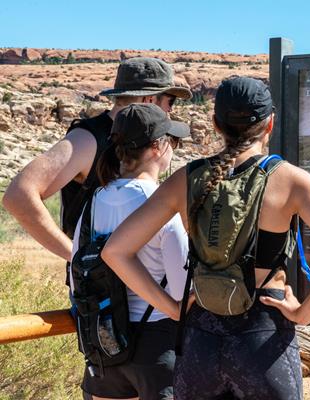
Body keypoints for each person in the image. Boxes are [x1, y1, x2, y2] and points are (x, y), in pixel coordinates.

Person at [101, 77, 310, 399]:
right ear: (270, 124)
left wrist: (172, 308)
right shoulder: (290, 180)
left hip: (200, 341)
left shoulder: (188, 178)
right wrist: (303, 313)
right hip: (263, 339)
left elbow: (115, 251)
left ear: (215, 124)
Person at [2, 57, 192, 264]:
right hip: (102, 288)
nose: (171, 110)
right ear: (149, 100)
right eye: (170, 101)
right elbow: (19, 196)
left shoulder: (135, 139)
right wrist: (78, 256)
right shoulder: (88, 139)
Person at [73, 103, 190, 400]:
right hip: (156, 347)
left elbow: (76, 276)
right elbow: (180, 289)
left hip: (104, 346)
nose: (174, 148)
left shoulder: (94, 202)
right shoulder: (161, 204)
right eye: (172, 141)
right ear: (157, 147)